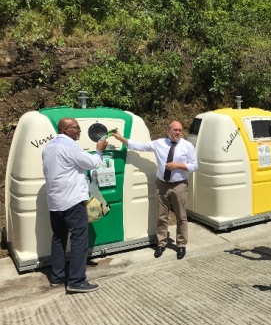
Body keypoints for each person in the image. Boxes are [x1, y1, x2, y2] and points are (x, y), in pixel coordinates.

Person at [113, 121, 197, 260]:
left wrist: (178, 165)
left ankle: (181, 244)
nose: (177, 132)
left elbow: (194, 166)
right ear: (167, 130)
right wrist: (121, 138)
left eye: (180, 130)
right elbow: (139, 146)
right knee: (161, 216)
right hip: (162, 184)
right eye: (175, 130)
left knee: (181, 216)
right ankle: (161, 243)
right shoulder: (159, 143)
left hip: (179, 185)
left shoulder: (187, 146)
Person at [42, 117, 108, 293]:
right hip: (72, 201)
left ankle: (57, 277)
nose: (79, 130)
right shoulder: (70, 146)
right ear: (65, 130)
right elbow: (93, 163)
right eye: (76, 128)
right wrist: (99, 151)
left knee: (58, 237)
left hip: (55, 202)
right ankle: (76, 281)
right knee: (79, 238)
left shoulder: (48, 147)